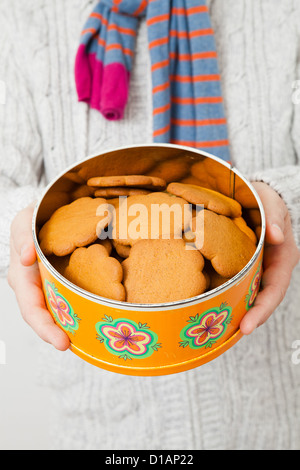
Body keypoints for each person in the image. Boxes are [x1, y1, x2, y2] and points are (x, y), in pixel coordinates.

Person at [1, 0, 300, 450]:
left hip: (274, 417)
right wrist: (25, 223)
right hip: (103, 424)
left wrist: (280, 200)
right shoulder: (25, 17)